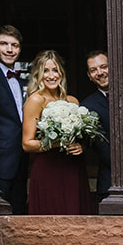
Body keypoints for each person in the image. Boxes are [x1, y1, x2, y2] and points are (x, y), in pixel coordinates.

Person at [21, 49, 91, 215]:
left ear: (62, 73)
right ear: (38, 74)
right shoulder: (36, 100)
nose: (51, 76)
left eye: (55, 70)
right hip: (48, 168)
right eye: (46, 71)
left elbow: (81, 137)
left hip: (73, 168)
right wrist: (56, 143)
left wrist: (81, 147)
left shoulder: (72, 101)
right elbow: (27, 144)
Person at [0, 25, 28, 214]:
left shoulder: (22, 81)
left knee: (18, 212)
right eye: (3, 44)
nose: (9, 49)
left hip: (21, 159)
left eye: (14, 45)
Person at [80, 49, 111, 212]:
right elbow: (101, 146)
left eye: (103, 66)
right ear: (89, 76)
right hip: (108, 182)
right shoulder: (87, 107)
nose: (99, 73)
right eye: (93, 70)